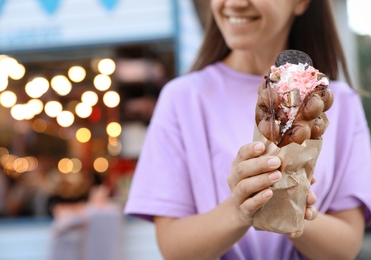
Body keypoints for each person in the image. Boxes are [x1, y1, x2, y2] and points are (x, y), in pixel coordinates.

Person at [124, 0, 371, 259]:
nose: (234, 3)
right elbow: (173, 248)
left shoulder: (339, 102)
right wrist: (239, 209)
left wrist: (290, 207)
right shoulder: (181, 99)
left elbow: (346, 247)